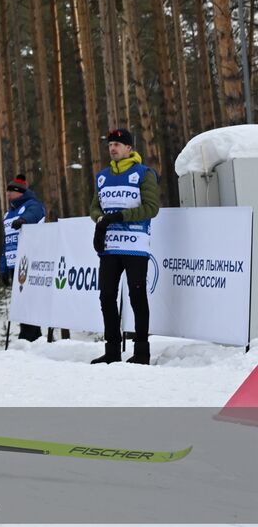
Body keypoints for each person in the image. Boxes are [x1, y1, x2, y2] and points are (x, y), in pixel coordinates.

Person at [89, 128, 160, 365]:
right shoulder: (102, 176)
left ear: (129, 148)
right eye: (110, 144)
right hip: (110, 247)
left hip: (135, 246)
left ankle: (141, 352)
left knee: (136, 296)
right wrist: (100, 220)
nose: (112, 148)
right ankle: (112, 350)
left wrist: (120, 216)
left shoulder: (144, 174)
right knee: (106, 296)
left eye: (118, 144)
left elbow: (152, 208)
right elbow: (94, 207)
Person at [0, 175, 47, 342]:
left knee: (29, 300)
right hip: (14, 263)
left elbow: (34, 214)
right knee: (20, 301)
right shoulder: (8, 213)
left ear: (20, 192)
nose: (8, 194)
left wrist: (23, 220)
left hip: (29, 262)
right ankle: (27, 334)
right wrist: (3, 267)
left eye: (11, 191)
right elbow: (7, 242)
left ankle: (31, 335)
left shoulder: (32, 205)